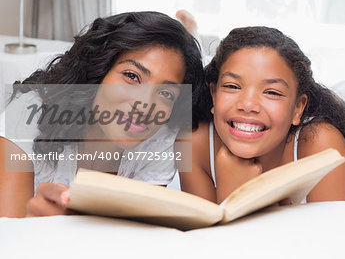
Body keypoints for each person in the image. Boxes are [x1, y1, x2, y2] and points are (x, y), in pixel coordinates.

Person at [0, 11, 205, 217]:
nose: (145, 106)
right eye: (132, 76)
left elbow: (133, 234)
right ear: (99, 71)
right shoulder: (28, 112)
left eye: (165, 93)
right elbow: (11, 234)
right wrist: (34, 221)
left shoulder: (161, 138)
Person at [178, 26, 345, 204]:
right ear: (214, 95)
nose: (248, 104)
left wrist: (241, 196)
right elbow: (205, 243)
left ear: (298, 108)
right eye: (232, 86)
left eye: (272, 92)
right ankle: (193, 32)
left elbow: (335, 244)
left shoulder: (322, 142)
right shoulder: (190, 142)